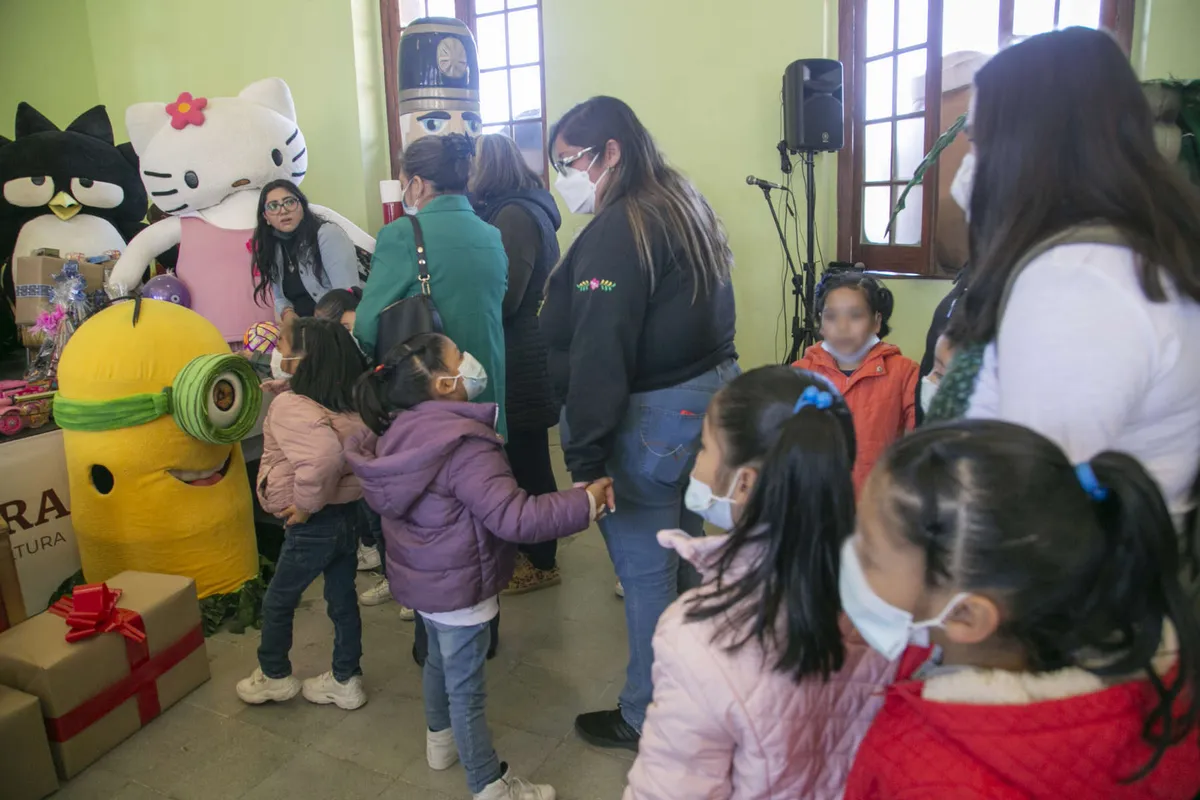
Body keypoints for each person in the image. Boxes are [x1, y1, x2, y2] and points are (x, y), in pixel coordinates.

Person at [842, 419, 1200, 797]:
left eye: (869, 556)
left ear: (966, 616)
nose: (849, 558)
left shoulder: (928, 779)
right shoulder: (1159, 695)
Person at [929, 28, 1200, 525]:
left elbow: (1031, 509)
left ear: (1030, 145)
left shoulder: (1081, 283)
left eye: (977, 138)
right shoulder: (1117, 253)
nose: (968, 164)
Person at [541, 96, 739, 749]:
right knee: (684, 549)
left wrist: (589, 462)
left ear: (611, 153)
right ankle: (697, 688)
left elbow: (601, 352)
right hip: (701, 404)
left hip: (654, 416)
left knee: (647, 568)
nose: (565, 178)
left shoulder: (620, 228)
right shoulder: (680, 202)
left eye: (569, 162)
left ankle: (645, 715)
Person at [347, 332, 614, 800]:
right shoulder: (464, 446)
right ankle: (489, 783)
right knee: (466, 689)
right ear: (445, 383)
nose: (469, 361)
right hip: (461, 585)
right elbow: (516, 517)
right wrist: (584, 503)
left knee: (436, 662)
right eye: (459, 357)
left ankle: (439, 742)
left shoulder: (396, 433)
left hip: (423, 581)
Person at [624, 367, 894, 799]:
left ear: (744, 483)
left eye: (705, 449)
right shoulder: (893, 596)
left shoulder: (700, 636)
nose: (696, 462)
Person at [236, 317, 372, 711]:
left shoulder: (291, 407)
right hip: (348, 514)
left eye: (281, 343)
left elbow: (322, 456)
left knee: (279, 600)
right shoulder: (347, 399)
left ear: (305, 358)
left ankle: (274, 675)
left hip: (313, 523)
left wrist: (307, 506)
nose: (275, 350)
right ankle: (346, 679)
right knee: (342, 599)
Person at [354, 133, 508, 437]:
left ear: (418, 184)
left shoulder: (402, 234)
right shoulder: (491, 234)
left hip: (432, 394)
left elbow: (367, 325)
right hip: (485, 386)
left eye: (403, 183)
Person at [470, 133, 564, 595]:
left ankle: (543, 560)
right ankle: (532, 550)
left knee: (528, 463)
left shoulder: (513, 215)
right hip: (521, 346)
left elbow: (507, 296)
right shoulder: (521, 208)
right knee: (522, 459)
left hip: (519, 352)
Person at [793, 269, 918, 493]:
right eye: (831, 317)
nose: (842, 327)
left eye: (855, 315)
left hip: (878, 506)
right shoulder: (800, 374)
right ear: (820, 323)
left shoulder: (904, 373)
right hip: (816, 506)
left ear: (876, 321)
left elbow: (920, 445)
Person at [251, 180, 360, 322]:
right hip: (305, 330)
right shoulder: (273, 247)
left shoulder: (327, 234)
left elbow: (347, 296)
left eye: (289, 202)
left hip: (334, 327)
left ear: (302, 206)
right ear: (266, 217)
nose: (283, 211)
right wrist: (287, 312)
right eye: (273, 206)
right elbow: (280, 297)